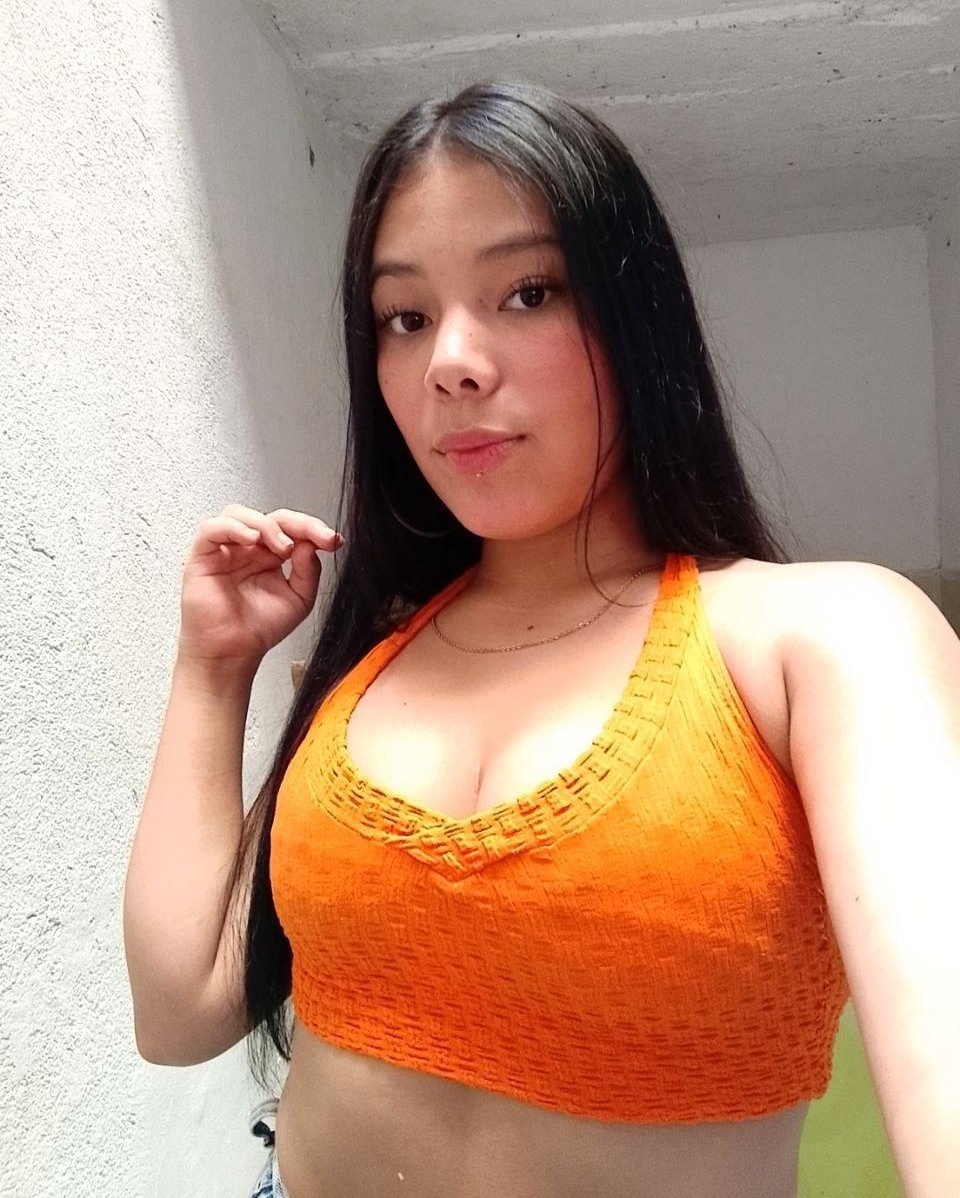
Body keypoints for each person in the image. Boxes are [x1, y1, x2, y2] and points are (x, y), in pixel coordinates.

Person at [126, 80, 860, 1198]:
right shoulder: (372, 665)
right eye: (405, 317)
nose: (451, 362)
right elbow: (181, 1011)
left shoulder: (820, 635)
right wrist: (215, 668)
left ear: (638, 318)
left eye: (528, 292)